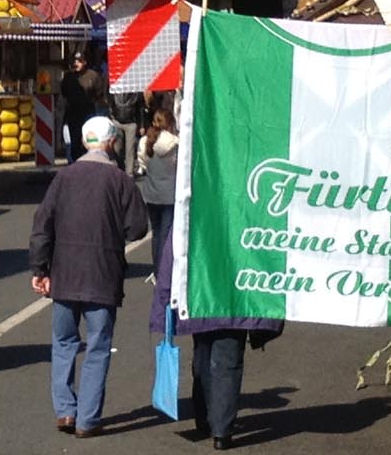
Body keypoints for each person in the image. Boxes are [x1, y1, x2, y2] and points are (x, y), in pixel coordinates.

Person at [30, 116, 149, 437]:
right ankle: (87, 419)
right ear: (112, 143)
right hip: (103, 274)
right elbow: (138, 228)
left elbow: (42, 225)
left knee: (64, 342)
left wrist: (40, 269)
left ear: (83, 143)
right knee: (98, 346)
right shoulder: (121, 180)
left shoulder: (64, 178)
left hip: (65, 273)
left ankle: (65, 411)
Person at [149, 232, 282, 448]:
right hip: (235, 293)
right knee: (227, 361)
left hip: (200, 293)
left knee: (203, 354)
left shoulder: (193, 204)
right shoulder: (245, 206)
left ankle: (205, 419)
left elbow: (173, 252)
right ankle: (221, 430)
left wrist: (164, 298)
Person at [137, 109, 178, 269]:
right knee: (166, 234)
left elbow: (143, 164)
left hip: (151, 193)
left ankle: (156, 268)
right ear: (169, 123)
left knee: (156, 232)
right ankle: (163, 269)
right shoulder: (175, 142)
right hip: (169, 194)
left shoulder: (144, 141)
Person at [60, 53, 104, 163]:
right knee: (74, 141)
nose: (76, 63)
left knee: (88, 139)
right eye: (74, 61)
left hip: (88, 113)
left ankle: (88, 162)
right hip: (73, 113)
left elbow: (99, 93)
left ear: (84, 62)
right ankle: (75, 163)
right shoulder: (68, 77)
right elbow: (64, 93)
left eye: (79, 61)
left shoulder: (93, 76)